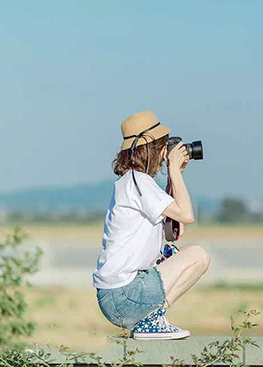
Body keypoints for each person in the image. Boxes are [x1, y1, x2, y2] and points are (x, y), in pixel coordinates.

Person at [92, 111, 210, 340]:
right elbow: (187, 215)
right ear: (153, 148)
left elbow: (173, 231)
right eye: (163, 145)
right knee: (199, 254)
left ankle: (152, 319)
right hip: (125, 295)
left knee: (178, 253)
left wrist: (174, 178)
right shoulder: (138, 182)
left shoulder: (133, 182)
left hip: (116, 296)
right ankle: (154, 319)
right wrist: (174, 170)